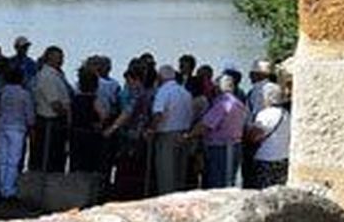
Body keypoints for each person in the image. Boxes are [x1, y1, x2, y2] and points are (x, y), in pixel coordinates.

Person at [105, 63, 155, 200]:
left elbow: (127, 113)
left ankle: (124, 195)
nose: (127, 84)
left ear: (135, 79)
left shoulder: (137, 94)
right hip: (141, 136)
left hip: (132, 137)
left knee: (127, 168)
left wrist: (112, 128)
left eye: (128, 81)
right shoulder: (149, 94)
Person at [192, 70, 248, 189]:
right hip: (234, 146)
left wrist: (188, 135)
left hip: (222, 148)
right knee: (229, 180)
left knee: (218, 182)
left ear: (219, 88)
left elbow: (205, 124)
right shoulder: (238, 103)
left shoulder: (223, 104)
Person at [149, 65, 194, 194]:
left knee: (166, 174)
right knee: (180, 174)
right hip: (184, 135)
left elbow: (158, 113)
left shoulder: (163, 91)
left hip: (167, 135)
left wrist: (151, 129)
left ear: (160, 77)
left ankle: (166, 202)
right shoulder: (185, 92)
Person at [0, 67, 36, 199]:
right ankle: (9, 189)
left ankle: (1, 187)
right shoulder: (24, 94)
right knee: (13, 160)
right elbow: (29, 115)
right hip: (17, 128)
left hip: (2, 126)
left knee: (2, 159)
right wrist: (31, 126)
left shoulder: (1, 92)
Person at [30, 46, 72, 172]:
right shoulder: (47, 76)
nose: (61, 61)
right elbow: (55, 104)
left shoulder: (57, 75)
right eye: (59, 58)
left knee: (57, 156)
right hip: (50, 122)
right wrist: (67, 115)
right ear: (50, 58)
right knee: (49, 157)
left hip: (55, 122)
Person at [246, 79, 292, 189]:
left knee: (263, 191)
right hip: (283, 157)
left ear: (268, 97)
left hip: (265, 158)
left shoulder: (264, 115)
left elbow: (253, 137)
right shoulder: (286, 114)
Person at [69, 64, 109, 174]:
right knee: (90, 166)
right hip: (91, 135)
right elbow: (104, 116)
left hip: (76, 135)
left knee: (76, 164)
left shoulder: (74, 100)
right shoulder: (95, 100)